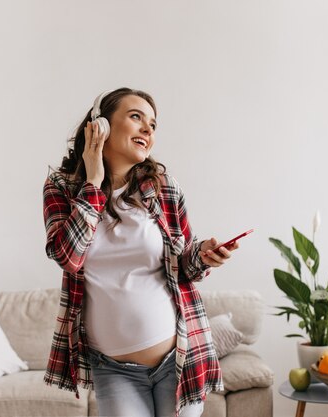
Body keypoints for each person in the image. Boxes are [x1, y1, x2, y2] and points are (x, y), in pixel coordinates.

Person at [42, 88, 238, 417]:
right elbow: (69, 257)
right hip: (114, 370)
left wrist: (202, 256)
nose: (148, 130)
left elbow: (183, 265)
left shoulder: (163, 186)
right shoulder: (61, 187)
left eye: (153, 124)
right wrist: (93, 182)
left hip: (178, 359)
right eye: (136, 117)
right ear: (100, 126)